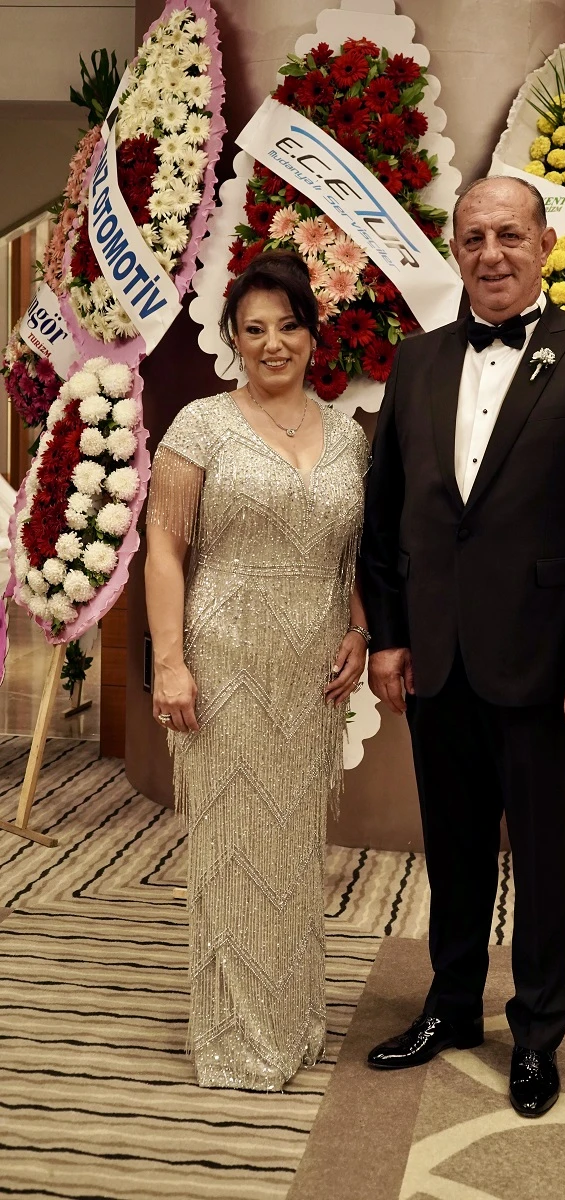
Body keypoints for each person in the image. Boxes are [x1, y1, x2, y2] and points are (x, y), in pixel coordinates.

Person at [360, 176, 565, 1117]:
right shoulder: (417, 361)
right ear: (455, 251)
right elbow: (386, 517)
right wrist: (389, 637)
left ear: (544, 245)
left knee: (540, 860)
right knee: (452, 849)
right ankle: (452, 1005)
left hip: (547, 664)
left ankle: (536, 1034)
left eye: (509, 235)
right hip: (438, 658)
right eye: (473, 238)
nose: (491, 254)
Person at [144, 250, 371, 1090]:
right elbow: (163, 552)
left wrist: (359, 629)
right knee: (234, 844)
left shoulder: (347, 435)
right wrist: (170, 663)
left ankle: (292, 1017)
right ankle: (237, 1039)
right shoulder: (200, 425)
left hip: (313, 670)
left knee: (292, 845)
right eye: (254, 329)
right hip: (225, 660)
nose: (274, 343)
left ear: (313, 335)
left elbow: (356, 555)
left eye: (288, 326)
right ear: (233, 339)